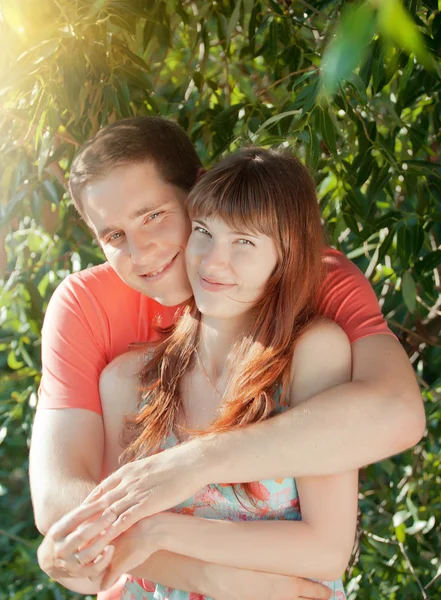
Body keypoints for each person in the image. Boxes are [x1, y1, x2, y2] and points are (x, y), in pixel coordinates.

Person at [30, 117, 424, 600]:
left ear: (199, 190)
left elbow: (398, 413)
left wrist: (193, 465)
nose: (142, 250)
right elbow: (62, 505)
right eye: (113, 236)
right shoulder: (96, 323)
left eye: (152, 215)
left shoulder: (314, 285)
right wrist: (207, 578)